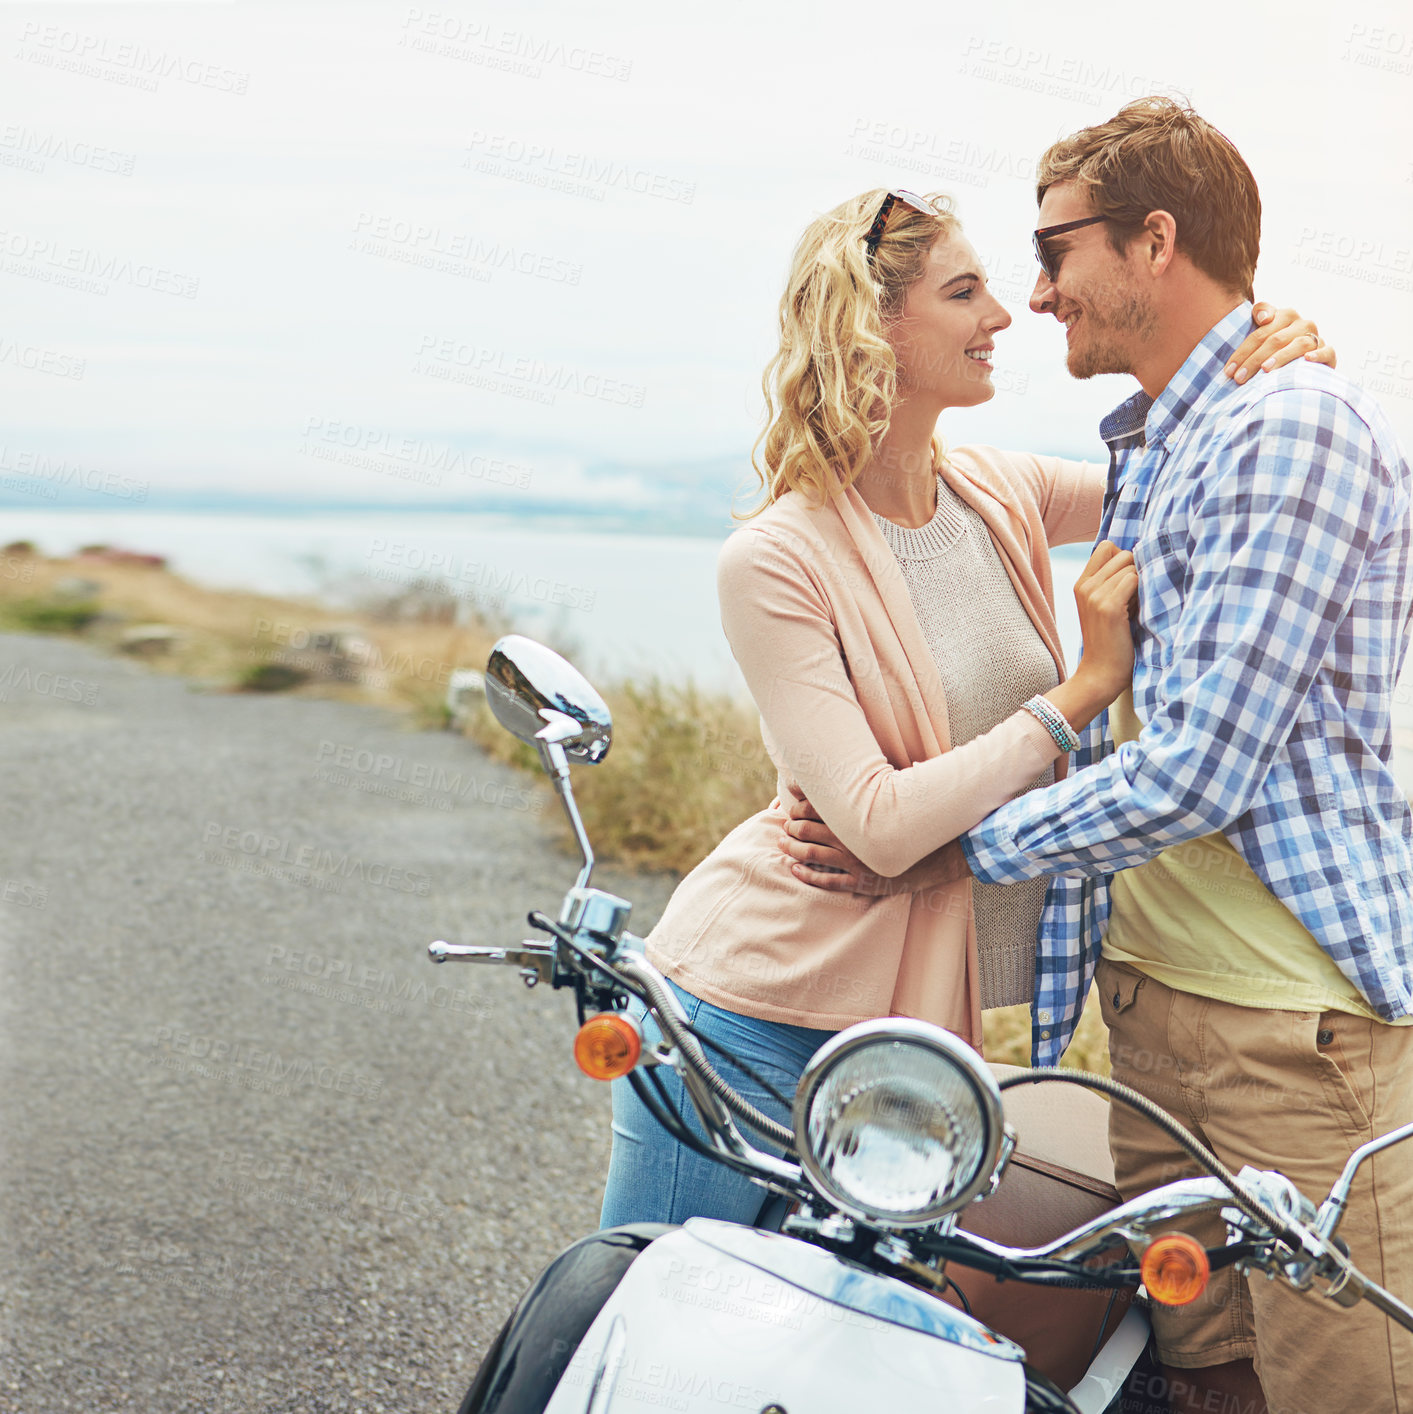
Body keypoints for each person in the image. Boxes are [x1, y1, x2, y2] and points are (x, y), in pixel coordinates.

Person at [781, 99, 1411, 1414]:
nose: (1034, 289)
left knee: (1342, 1389)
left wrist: (937, 849)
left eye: (1055, 249)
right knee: (1208, 1377)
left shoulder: (1286, 428)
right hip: (1159, 1013)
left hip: (1287, 1037)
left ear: (1153, 242)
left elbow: (1197, 769)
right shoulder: (1160, 440)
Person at [598, 179, 1331, 1235]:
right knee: (649, 1301)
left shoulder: (1000, 488)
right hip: (746, 1020)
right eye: (965, 292)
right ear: (873, 329)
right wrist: (1081, 693)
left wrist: (1273, 342)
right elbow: (881, 824)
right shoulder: (774, 557)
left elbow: (1198, 474)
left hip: (909, 1051)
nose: (1005, 315)